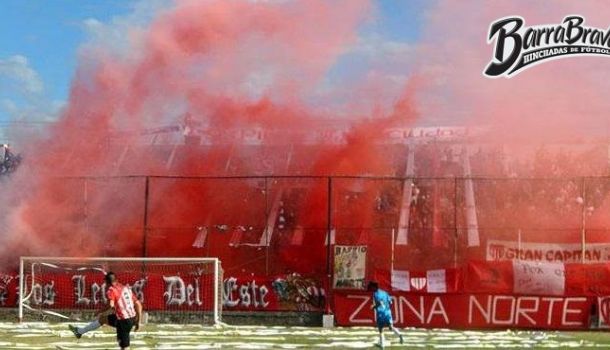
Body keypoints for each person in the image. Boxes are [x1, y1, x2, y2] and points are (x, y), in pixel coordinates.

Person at [69, 272, 143, 349]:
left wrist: (99, 311)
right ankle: (80, 332)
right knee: (103, 319)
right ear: (116, 280)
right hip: (131, 318)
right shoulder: (126, 288)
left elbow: (110, 305)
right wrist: (138, 321)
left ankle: (80, 332)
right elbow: (138, 305)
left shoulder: (111, 290)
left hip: (123, 321)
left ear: (107, 282)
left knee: (124, 347)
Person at [368, 281, 403, 349]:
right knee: (391, 327)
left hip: (381, 313)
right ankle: (400, 335)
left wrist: (373, 307)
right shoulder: (385, 293)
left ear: (373, 287)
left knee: (381, 329)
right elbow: (391, 302)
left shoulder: (375, 294)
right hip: (388, 312)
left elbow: (379, 303)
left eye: (371, 288)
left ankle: (382, 345)